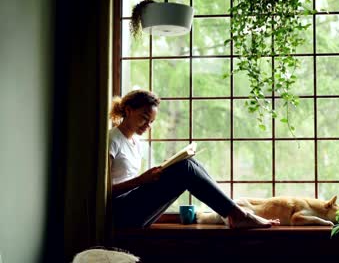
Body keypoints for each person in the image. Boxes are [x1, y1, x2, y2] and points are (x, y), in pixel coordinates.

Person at [109, 89, 280, 229]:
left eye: (151, 121)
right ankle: (237, 214)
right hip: (118, 213)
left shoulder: (135, 142)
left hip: (132, 209)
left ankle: (231, 214)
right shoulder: (111, 140)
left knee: (189, 163)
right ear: (129, 110)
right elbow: (99, 193)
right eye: (144, 118)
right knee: (184, 168)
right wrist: (141, 180)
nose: (148, 126)